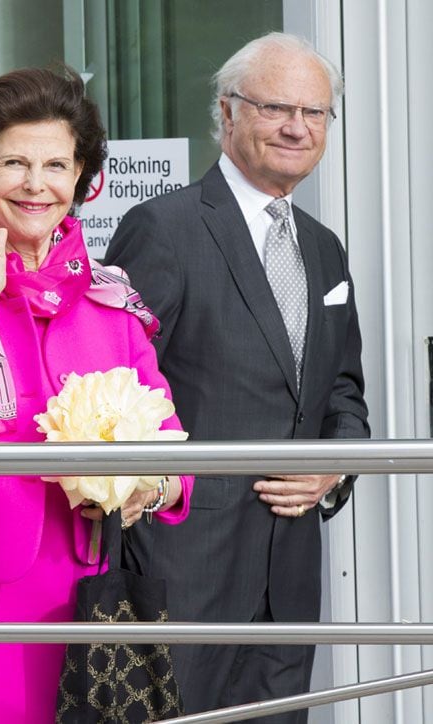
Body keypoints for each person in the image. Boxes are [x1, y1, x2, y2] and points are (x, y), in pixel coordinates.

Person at [0, 67, 193, 723]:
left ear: (80, 180)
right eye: (15, 163)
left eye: (56, 165)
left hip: (91, 589)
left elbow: (175, 455)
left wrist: (151, 485)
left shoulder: (114, 299)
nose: (36, 184)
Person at [104, 32, 369, 721]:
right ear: (227, 114)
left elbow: (342, 390)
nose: (296, 128)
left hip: (289, 573)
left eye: (315, 114)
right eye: (276, 107)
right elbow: (111, 388)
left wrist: (334, 467)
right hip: (181, 570)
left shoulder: (323, 247)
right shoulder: (161, 229)